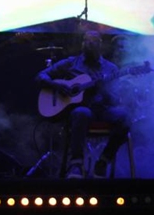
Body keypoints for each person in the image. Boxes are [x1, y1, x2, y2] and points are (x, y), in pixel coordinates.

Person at [35, 31, 130, 179]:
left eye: (94, 41)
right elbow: (41, 76)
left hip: (102, 109)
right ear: (82, 44)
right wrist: (56, 86)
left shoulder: (110, 69)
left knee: (125, 118)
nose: (90, 43)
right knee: (81, 112)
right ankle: (76, 164)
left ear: (100, 44)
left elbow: (115, 99)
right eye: (86, 40)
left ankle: (103, 162)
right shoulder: (72, 62)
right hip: (80, 111)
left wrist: (103, 90)